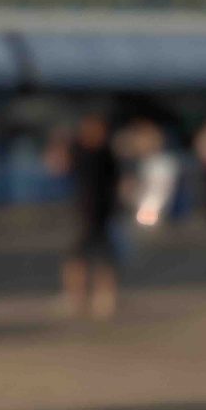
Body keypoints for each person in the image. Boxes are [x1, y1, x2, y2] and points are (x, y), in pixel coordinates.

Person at [60, 114, 120, 319]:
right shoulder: (79, 150)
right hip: (83, 213)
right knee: (78, 258)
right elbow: (59, 166)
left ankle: (105, 298)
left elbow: (117, 182)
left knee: (103, 258)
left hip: (102, 213)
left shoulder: (106, 153)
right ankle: (76, 297)